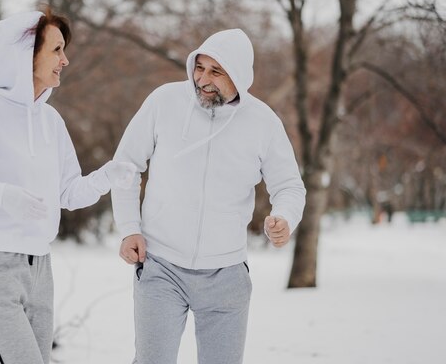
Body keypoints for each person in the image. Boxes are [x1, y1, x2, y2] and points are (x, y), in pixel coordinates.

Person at [0, 9, 136, 364]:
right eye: (56, 50)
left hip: (40, 269)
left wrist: (107, 176)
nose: (64, 60)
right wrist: (0, 195)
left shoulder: (51, 121)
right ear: (25, 55)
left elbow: (68, 193)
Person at [111, 28, 306, 364]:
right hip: (161, 266)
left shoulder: (263, 122)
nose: (203, 79)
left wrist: (285, 218)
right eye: (200, 68)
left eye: (216, 71)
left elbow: (289, 185)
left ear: (240, 76)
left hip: (226, 274)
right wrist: (129, 226)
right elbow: (126, 165)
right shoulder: (164, 102)